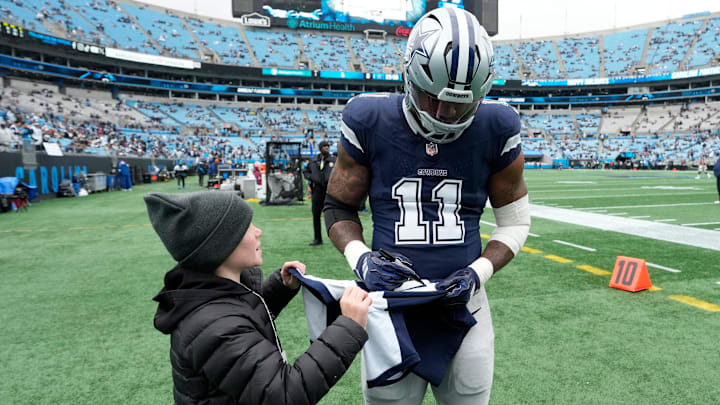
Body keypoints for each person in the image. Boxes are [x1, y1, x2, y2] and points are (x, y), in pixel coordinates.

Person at [323, 7, 529, 405]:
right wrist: (361, 259)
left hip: (463, 305)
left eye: (459, 103)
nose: (446, 113)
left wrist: (476, 273)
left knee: (469, 396)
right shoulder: (369, 118)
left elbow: (516, 222)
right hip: (388, 305)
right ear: (409, 75)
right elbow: (337, 206)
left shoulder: (497, 125)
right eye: (433, 98)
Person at [145, 191, 372, 405]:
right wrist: (349, 327)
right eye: (246, 226)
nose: (257, 231)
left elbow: (242, 319)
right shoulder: (215, 327)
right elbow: (284, 393)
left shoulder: (218, 296)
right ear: (221, 246)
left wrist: (279, 289)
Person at [303, 140, 336, 246]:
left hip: (330, 191)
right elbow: (305, 171)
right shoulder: (313, 160)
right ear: (320, 148)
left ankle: (336, 238)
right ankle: (318, 238)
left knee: (333, 216)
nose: (327, 148)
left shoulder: (334, 160)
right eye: (324, 146)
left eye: (328, 146)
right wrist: (311, 178)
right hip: (317, 191)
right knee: (316, 215)